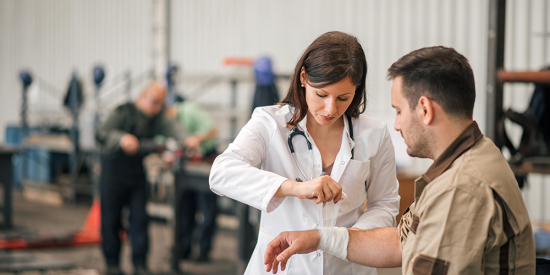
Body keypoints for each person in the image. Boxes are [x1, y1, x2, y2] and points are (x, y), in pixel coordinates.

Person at [264, 46, 536, 274]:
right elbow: (401, 243)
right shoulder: (474, 156)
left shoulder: (460, 189)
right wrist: (319, 238)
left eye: (398, 111)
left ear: (425, 109)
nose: (395, 125)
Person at [209, 31, 400, 275]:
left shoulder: (374, 133)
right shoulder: (270, 123)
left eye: (343, 97)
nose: (331, 109)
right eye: (321, 95)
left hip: (347, 268)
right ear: (303, 77)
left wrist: (341, 240)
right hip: (282, 267)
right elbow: (221, 172)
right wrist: (294, 188)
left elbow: (384, 205)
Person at [95, 81, 187, 275]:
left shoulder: (157, 117)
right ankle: (112, 265)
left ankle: (140, 266)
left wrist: (187, 140)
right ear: (142, 96)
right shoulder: (124, 112)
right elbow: (102, 133)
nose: (156, 108)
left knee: (140, 220)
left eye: (160, 104)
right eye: (154, 102)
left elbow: (175, 130)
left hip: (136, 174)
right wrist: (121, 139)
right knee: (111, 220)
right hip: (113, 172)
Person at [172, 95, 219, 262]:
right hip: (187, 162)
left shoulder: (189, 111)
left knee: (206, 209)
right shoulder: (168, 119)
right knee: (185, 207)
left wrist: (194, 140)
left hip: (206, 159)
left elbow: (213, 129)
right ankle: (184, 249)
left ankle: (203, 250)